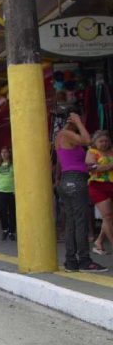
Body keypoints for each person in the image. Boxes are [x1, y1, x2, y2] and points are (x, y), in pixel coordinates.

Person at [55, 112, 107, 272]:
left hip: (67, 180)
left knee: (71, 222)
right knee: (81, 222)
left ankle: (71, 261)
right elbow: (88, 140)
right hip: (76, 181)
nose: (83, 123)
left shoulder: (61, 137)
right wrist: (78, 121)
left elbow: (62, 162)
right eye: (81, 119)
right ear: (71, 119)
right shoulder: (66, 134)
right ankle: (84, 261)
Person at [86, 130, 113, 261]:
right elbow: (92, 168)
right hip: (97, 186)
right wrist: (109, 166)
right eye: (101, 141)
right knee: (108, 216)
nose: (104, 143)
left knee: (109, 218)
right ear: (95, 142)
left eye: (106, 141)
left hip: (111, 185)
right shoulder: (92, 152)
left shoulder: (111, 151)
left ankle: (99, 242)